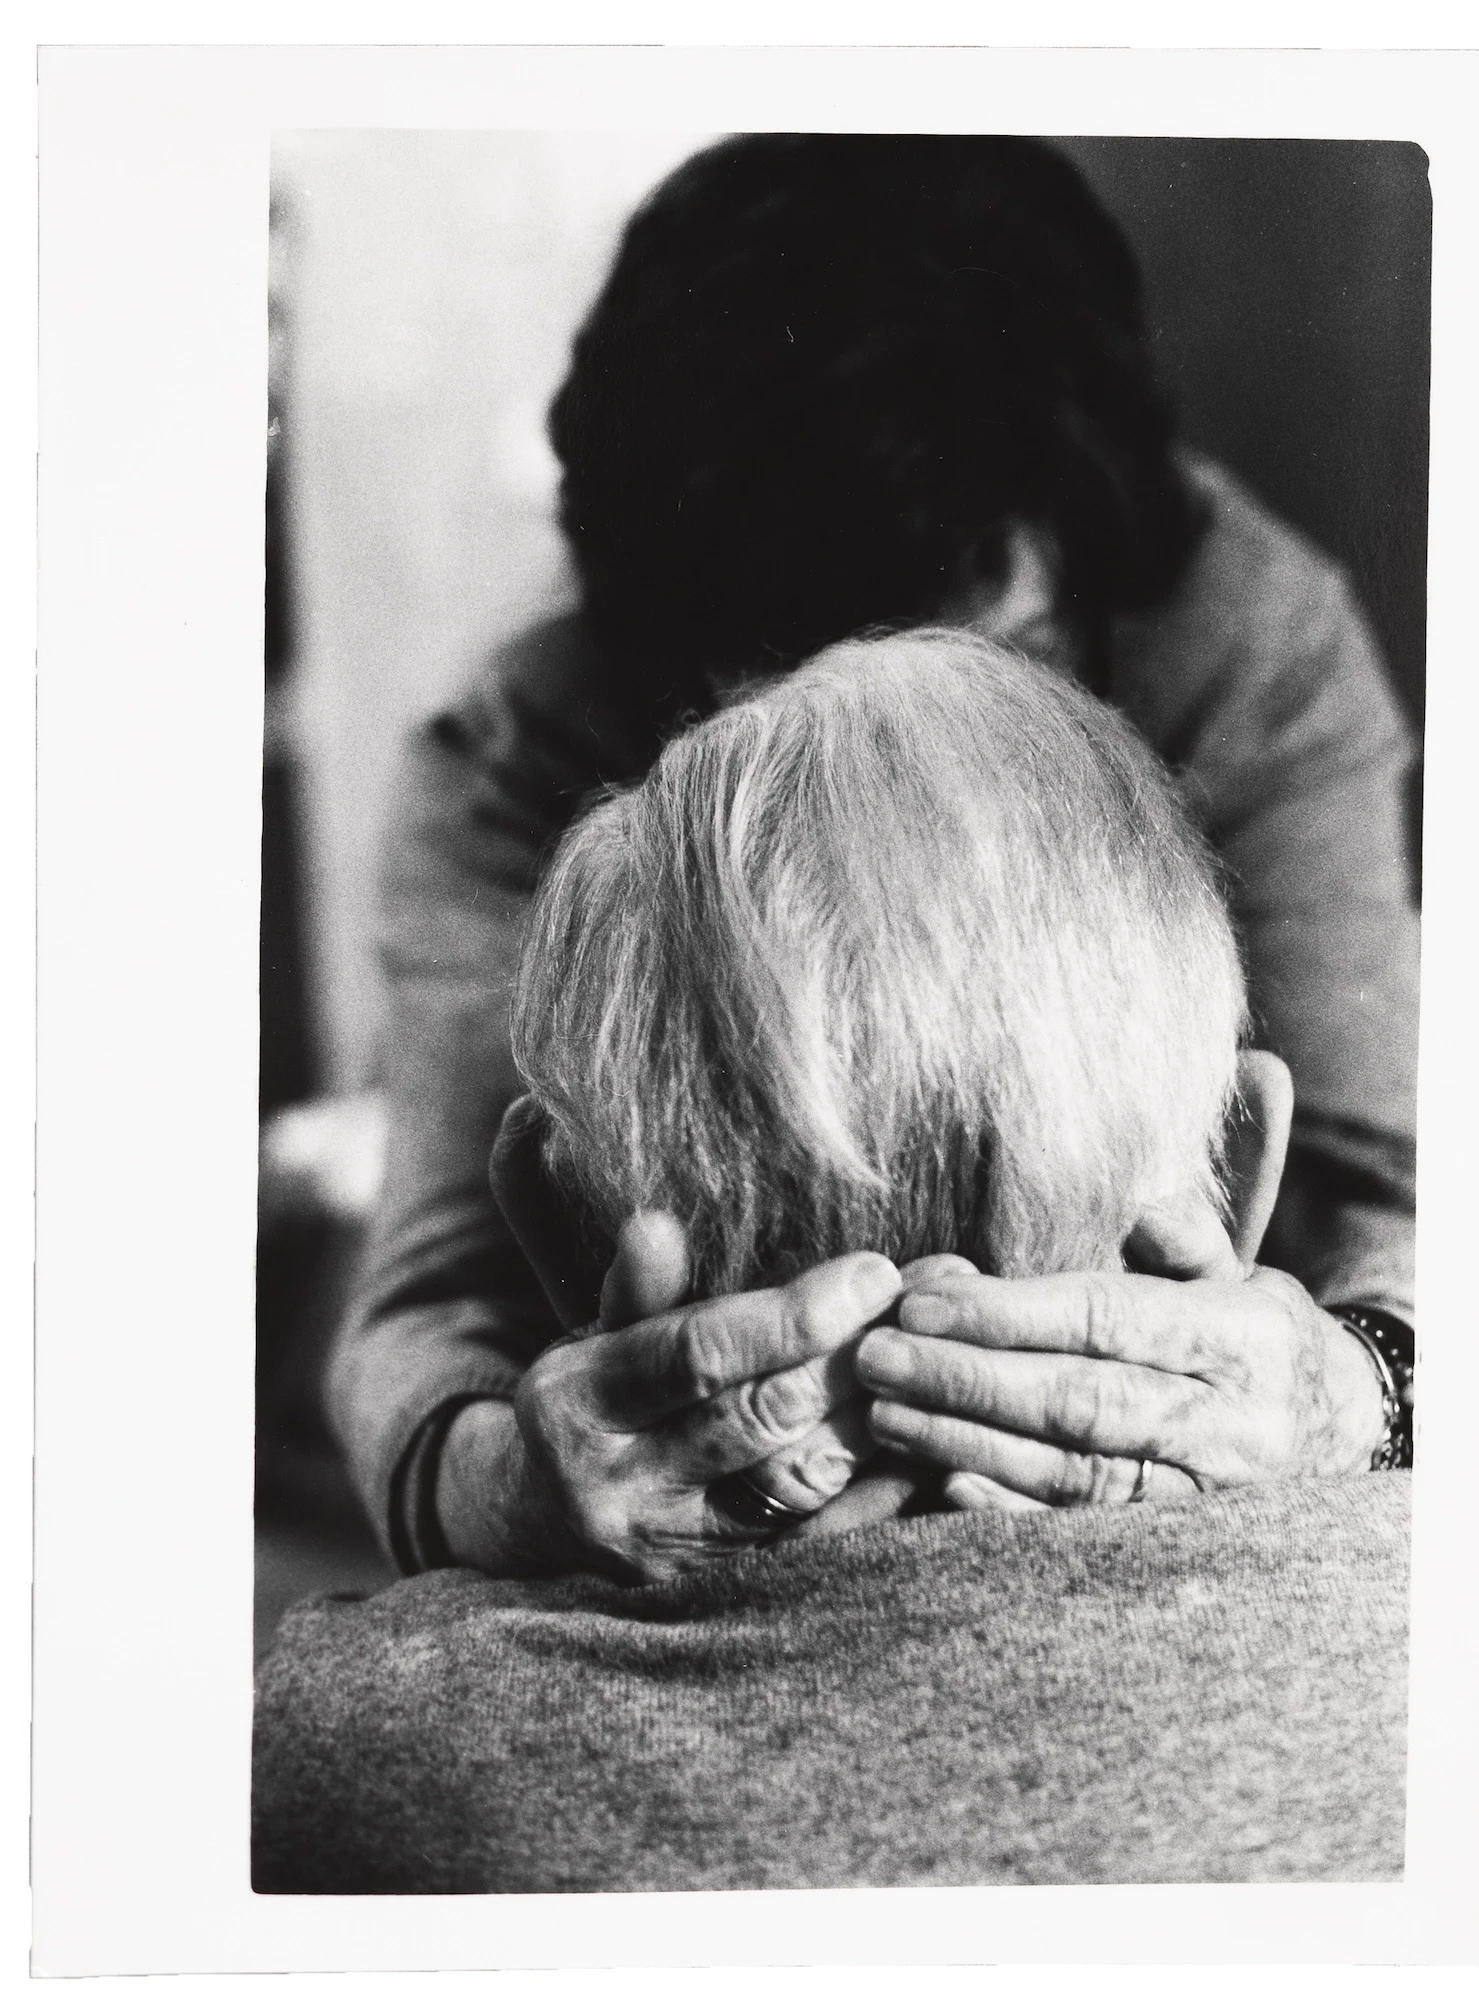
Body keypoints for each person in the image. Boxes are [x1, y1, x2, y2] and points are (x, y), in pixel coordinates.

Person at [327, 133, 1418, 1581]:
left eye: (984, 658)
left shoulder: (1243, 640)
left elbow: (1382, 1176)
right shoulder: (519, 742)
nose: (897, 742)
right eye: (782, 699)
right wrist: (507, 1481)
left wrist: (1359, 1388)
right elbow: (437, 1284)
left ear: (1079, 559)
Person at [254, 635, 1409, 1893]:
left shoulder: (340, 1763)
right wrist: (1386, 1396)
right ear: (1238, 1168)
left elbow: (421, 1284)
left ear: (550, 1223)